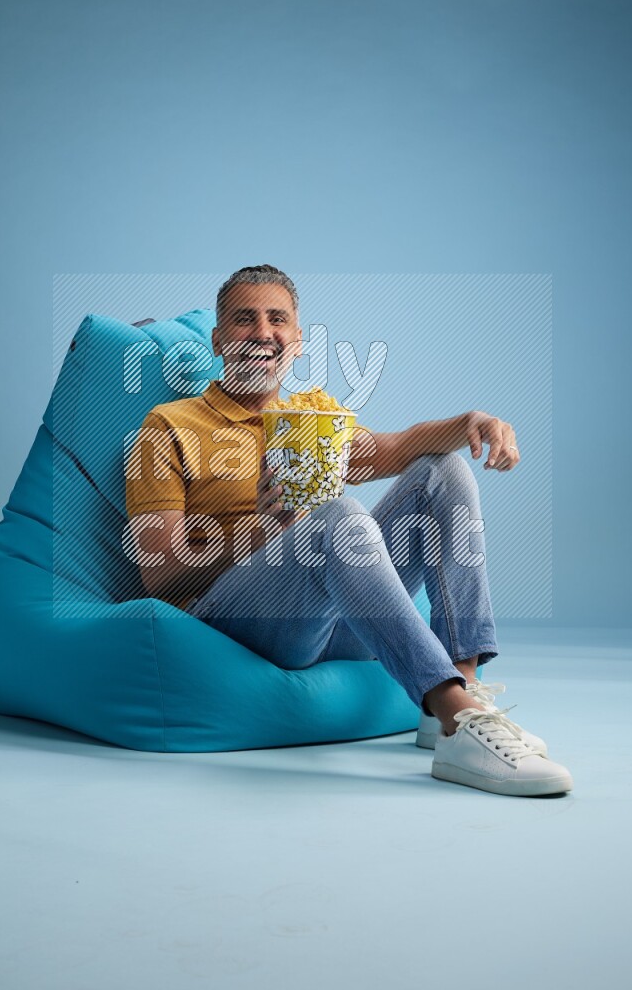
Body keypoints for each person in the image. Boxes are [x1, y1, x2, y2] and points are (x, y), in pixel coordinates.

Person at [125, 264, 572, 797]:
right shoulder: (169, 425)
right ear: (219, 340)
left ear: (296, 342)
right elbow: (158, 577)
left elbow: (400, 446)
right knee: (338, 517)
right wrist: (263, 533)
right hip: (234, 625)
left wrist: (471, 422)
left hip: (330, 620)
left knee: (443, 471)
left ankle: (462, 694)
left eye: (277, 320)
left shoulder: (310, 422)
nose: (263, 333)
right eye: (245, 320)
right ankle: (455, 715)